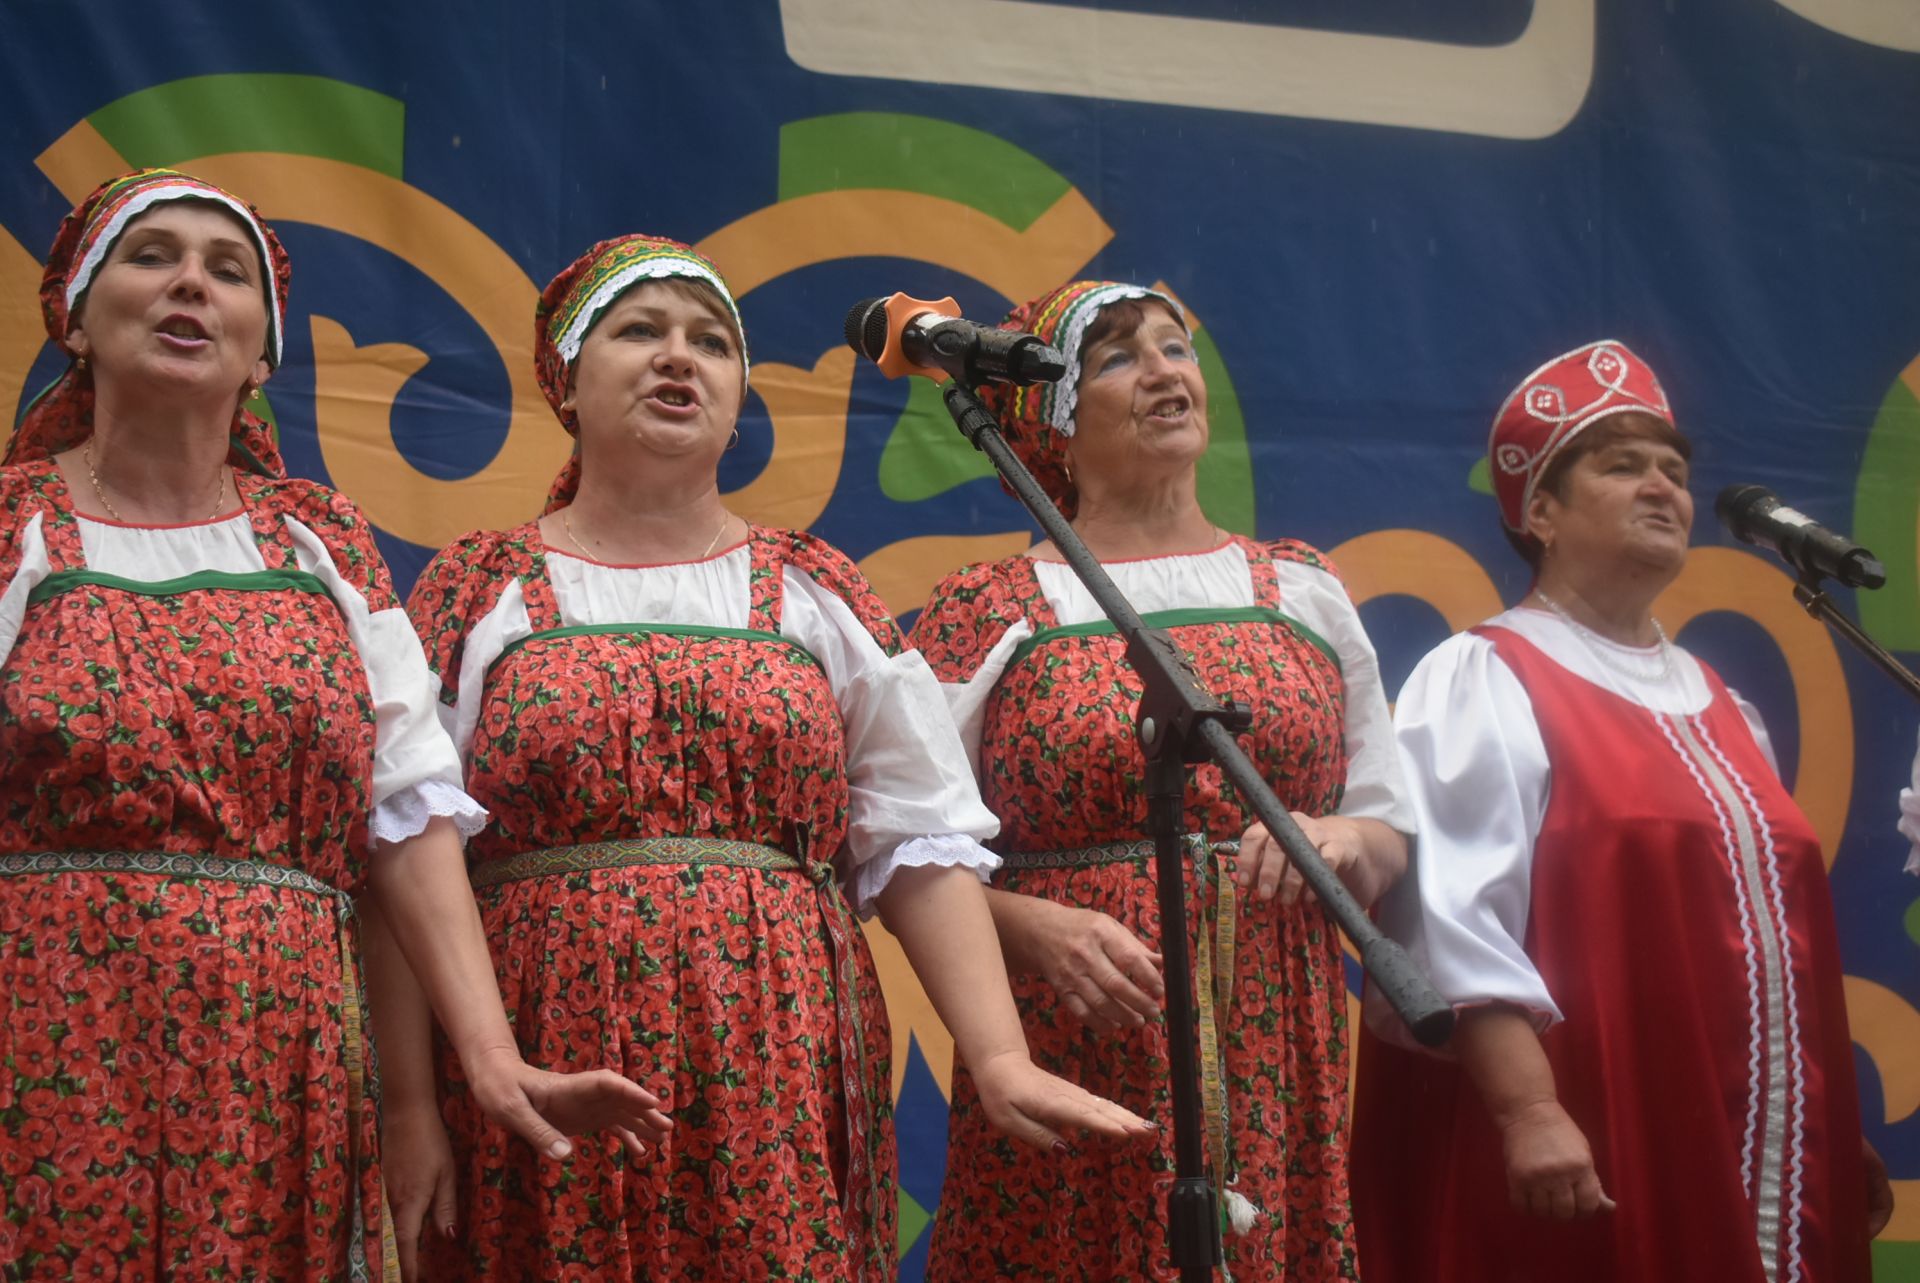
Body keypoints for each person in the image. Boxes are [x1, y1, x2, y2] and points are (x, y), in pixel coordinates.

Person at [396, 236, 1152, 1281]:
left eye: (710, 340)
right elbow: (401, 844)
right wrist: (406, 1104)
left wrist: (1000, 1054)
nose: (679, 357)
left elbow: (917, 838)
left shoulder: (812, 589)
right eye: (640, 331)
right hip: (544, 1040)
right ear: (566, 378)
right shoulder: (482, 588)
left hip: (776, 1044)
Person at [0, 169, 665, 1282]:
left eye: (227, 271)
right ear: (74, 310)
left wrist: (491, 1060)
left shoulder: (321, 547)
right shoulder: (14, 529)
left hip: (281, 1043)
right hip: (52, 1020)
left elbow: (406, 812)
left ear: (263, 350)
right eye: (152, 256)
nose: (191, 286)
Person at [1350, 339, 1895, 1281]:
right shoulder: (1486, 674)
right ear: (1542, 513)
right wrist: (1529, 1111)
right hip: (1587, 1124)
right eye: (1622, 464)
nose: (1662, 488)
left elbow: (1765, 947)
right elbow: (1444, 924)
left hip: (1740, 1136)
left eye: (1675, 471)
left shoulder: (1728, 704)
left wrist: (1809, 1122)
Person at [910, 279, 1413, 1281]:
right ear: (1054, 417)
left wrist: (1346, 840)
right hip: (1081, 1025)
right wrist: (1031, 924)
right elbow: (895, 844)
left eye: (1176, 347)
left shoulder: (1304, 590)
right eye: (1117, 358)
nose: (1162, 370)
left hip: (1278, 1036)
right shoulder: (994, 607)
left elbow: (1386, 823)